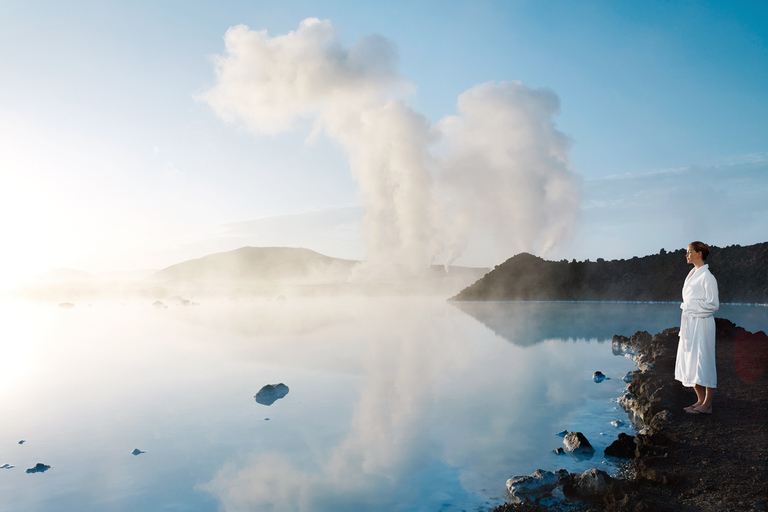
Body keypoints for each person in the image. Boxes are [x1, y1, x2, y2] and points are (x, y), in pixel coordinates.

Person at [675, 241, 719, 414]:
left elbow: (713, 304)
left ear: (699, 253)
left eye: (689, 252)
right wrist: (688, 308)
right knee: (691, 360)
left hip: (702, 323)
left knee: (704, 361)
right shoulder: (692, 273)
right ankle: (700, 400)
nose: (687, 255)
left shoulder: (708, 277)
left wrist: (690, 307)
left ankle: (707, 405)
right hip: (690, 324)